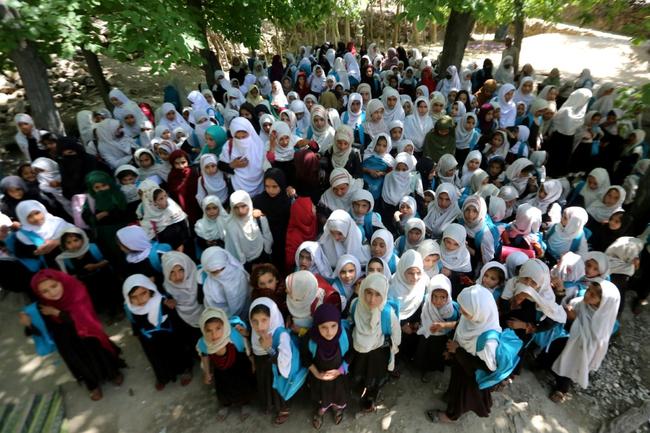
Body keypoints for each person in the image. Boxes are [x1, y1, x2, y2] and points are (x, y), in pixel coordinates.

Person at [20, 269, 125, 401]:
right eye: (44, 291)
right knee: (79, 361)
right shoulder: (43, 304)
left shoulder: (77, 291)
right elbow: (41, 327)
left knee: (99, 354)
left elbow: (83, 317)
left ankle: (113, 373)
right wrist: (29, 323)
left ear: (61, 281)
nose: (52, 293)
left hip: (89, 334)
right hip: (67, 340)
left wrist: (57, 313)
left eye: (54, 286)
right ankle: (92, 385)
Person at [123, 274, 194, 390]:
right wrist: (137, 333)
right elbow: (135, 323)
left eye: (143, 294)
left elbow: (176, 321)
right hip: (148, 340)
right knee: (156, 358)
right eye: (133, 297)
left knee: (176, 352)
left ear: (150, 290)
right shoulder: (130, 308)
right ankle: (163, 376)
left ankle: (185, 369)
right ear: (127, 297)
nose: (140, 300)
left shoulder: (161, 302)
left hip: (168, 336)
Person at [349, 273, 401, 412]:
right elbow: (351, 322)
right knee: (358, 374)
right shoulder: (355, 305)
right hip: (358, 350)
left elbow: (396, 336)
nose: (372, 299)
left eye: (378, 294)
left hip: (378, 353)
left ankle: (370, 398)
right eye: (368, 292)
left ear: (384, 294)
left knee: (374, 378)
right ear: (362, 290)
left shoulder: (387, 313)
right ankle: (359, 392)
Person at [197, 307, 255, 421]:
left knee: (242, 385)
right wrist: (207, 373)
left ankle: (245, 403)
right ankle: (225, 404)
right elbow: (204, 355)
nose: (214, 334)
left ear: (224, 326)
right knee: (222, 388)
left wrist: (253, 364)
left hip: (238, 367)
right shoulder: (204, 342)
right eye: (209, 330)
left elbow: (247, 350)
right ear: (204, 330)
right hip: (220, 371)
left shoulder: (234, 335)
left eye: (218, 328)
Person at [301, 303, 349, 429]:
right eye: (324, 327)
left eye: (333, 326)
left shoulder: (344, 335)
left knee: (338, 395)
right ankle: (321, 411)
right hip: (319, 378)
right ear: (317, 326)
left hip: (339, 376)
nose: (329, 332)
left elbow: (351, 353)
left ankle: (336, 408)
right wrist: (316, 373)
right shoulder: (310, 339)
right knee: (321, 398)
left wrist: (341, 370)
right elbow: (304, 357)